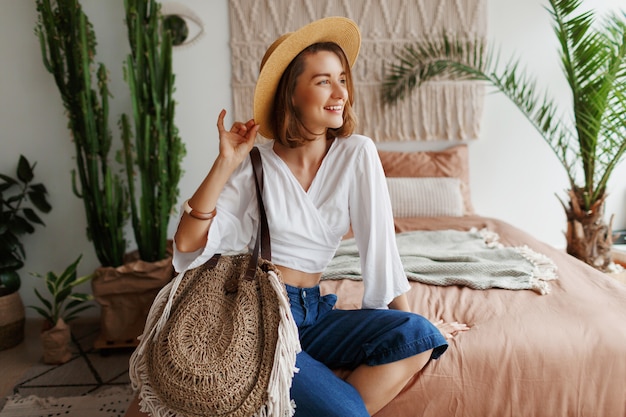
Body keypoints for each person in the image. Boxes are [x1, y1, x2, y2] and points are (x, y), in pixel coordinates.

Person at [174, 16, 468, 417]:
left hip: (313, 311)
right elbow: (188, 245)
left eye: (342, 79)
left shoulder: (356, 153)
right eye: (322, 81)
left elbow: (379, 247)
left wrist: (414, 324)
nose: (339, 93)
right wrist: (225, 163)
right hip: (263, 317)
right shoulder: (256, 164)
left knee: (418, 334)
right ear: (291, 94)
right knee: (346, 412)